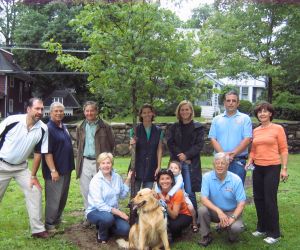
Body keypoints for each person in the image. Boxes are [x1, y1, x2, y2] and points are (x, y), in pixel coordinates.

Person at [0, 98, 49, 238]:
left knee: (35, 191)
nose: (40, 112)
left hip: (21, 168)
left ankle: (38, 230)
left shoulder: (43, 129)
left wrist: (33, 176)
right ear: (28, 109)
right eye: (37, 109)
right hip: (1, 165)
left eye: (42, 109)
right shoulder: (12, 121)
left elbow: (38, 153)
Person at [245, 101, 289, 244]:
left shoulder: (278, 128)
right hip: (258, 168)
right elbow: (253, 150)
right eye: (259, 112)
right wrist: (249, 160)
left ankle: (274, 233)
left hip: (272, 167)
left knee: (270, 200)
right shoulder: (256, 130)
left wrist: (284, 169)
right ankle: (262, 228)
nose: (262, 114)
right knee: (258, 198)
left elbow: (283, 149)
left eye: (265, 111)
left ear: (270, 113)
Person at [76, 101, 115, 226]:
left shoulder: (105, 126)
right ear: (84, 112)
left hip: (101, 163)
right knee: (86, 191)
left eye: (92, 110)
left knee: (101, 191)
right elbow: (79, 145)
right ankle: (89, 217)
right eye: (87, 111)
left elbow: (112, 144)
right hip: (85, 162)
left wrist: (107, 162)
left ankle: (103, 216)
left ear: (96, 111)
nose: (89, 113)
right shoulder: (80, 127)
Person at [198, 152, 246, 247]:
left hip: (231, 212)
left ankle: (229, 231)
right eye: (217, 163)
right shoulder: (207, 177)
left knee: (236, 228)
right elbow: (203, 199)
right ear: (213, 164)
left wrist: (232, 219)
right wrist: (219, 211)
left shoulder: (236, 179)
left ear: (228, 165)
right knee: (202, 210)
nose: (220, 165)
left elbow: (241, 203)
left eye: (223, 163)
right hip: (215, 211)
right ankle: (206, 236)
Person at [42, 102, 75, 232]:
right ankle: (49, 224)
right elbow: (47, 152)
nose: (59, 113)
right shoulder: (48, 128)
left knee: (62, 197)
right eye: (56, 111)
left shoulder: (63, 126)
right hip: (55, 171)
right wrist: (53, 170)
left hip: (66, 169)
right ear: (50, 113)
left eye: (61, 111)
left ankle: (57, 219)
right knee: (53, 198)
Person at [86, 152, 132, 244]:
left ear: (112, 164)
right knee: (107, 218)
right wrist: (120, 213)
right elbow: (100, 205)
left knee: (125, 229)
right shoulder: (96, 181)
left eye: (108, 163)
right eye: (103, 163)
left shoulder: (117, 177)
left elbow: (122, 195)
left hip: (112, 212)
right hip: (95, 211)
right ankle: (101, 234)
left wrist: (128, 179)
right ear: (99, 165)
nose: (106, 166)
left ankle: (107, 227)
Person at [208, 90, 252, 184]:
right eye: (228, 100)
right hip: (220, 161)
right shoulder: (217, 119)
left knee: (236, 191)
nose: (231, 103)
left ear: (238, 103)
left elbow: (247, 139)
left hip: (238, 161)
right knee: (219, 190)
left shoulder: (245, 118)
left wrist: (232, 154)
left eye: (233, 101)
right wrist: (224, 156)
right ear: (224, 102)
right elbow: (213, 138)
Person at [167, 100, 204, 211]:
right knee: (173, 190)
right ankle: (176, 214)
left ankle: (194, 218)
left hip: (190, 164)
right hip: (176, 164)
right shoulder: (174, 127)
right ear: (179, 111)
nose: (184, 112)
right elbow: (170, 143)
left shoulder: (198, 127)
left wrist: (187, 155)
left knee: (189, 191)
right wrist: (181, 156)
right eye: (182, 110)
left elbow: (199, 145)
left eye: (187, 109)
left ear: (191, 111)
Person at [155, 161, 198, 232]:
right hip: (170, 201)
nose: (173, 169)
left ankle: (194, 222)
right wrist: (160, 195)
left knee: (191, 207)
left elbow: (176, 187)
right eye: (171, 167)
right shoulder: (167, 175)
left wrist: (169, 194)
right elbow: (157, 185)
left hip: (183, 195)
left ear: (180, 171)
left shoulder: (179, 177)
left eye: (175, 168)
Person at [129, 104, 163, 192]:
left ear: (152, 114)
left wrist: (158, 166)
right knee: (134, 193)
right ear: (141, 115)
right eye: (144, 113)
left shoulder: (159, 131)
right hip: (137, 165)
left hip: (151, 165)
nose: (147, 114)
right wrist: (131, 145)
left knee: (147, 193)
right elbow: (131, 149)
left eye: (149, 112)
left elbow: (159, 149)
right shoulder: (134, 130)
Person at [156, 169, 192, 242]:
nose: (165, 181)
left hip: (182, 214)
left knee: (173, 225)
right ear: (159, 182)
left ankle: (177, 235)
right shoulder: (157, 193)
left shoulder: (178, 192)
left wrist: (164, 205)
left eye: (167, 178)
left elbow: (174, 215)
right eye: (162, 179)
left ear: (172, 180)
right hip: (166, 214)